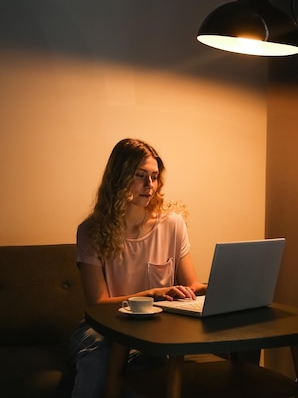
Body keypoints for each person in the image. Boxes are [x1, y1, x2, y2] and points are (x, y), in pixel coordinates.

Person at [69, 138, 207, 398]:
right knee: (99, 358)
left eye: (155, 177)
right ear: (119, 177)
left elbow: (192, 287)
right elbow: (98, 303)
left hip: (151, 331)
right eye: (140, 176)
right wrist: (154, 293)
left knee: (148, 367)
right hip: (102, 329)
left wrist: (222, 286)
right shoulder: (91, 231)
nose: (150, 185)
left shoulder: (172, 224)